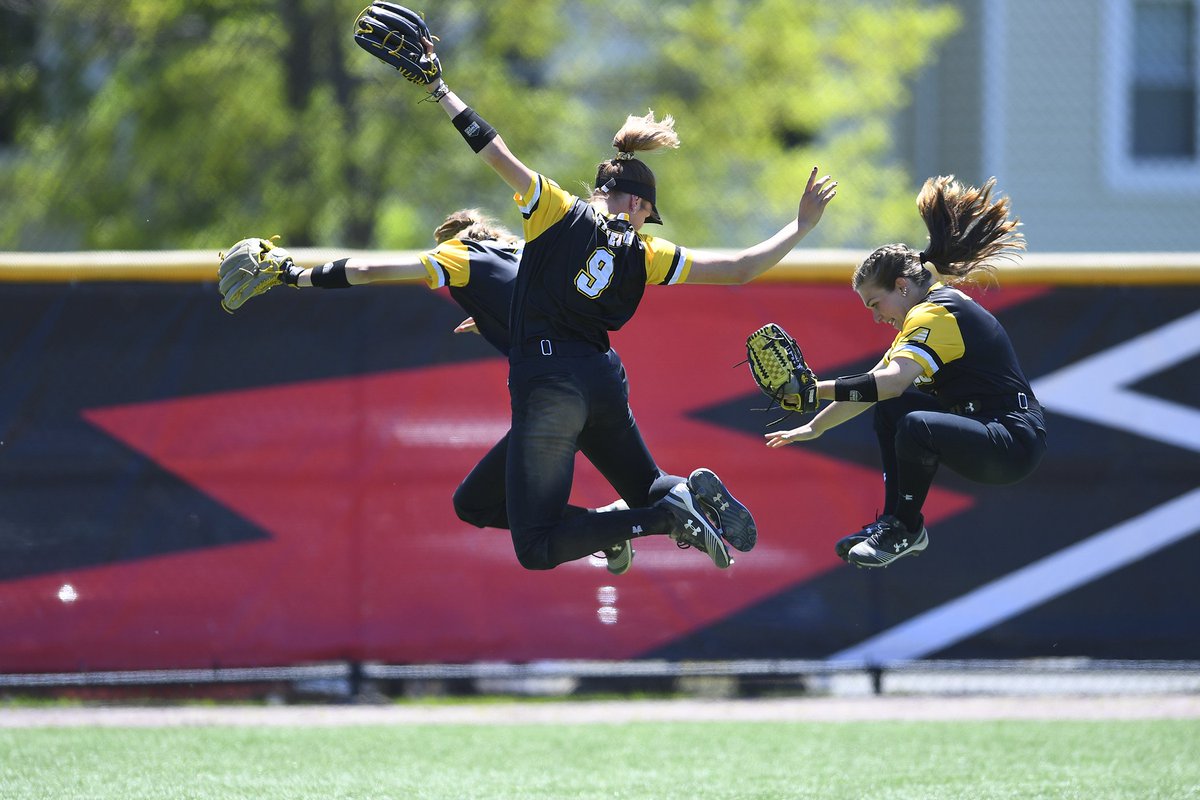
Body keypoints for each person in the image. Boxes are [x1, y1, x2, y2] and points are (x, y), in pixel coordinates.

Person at [385, 26, 836, 573]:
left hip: (551, 384)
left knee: (538, 547)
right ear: (639, 202)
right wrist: (801, 225)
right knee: (645, 487)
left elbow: (493, 149)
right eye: (649, 210)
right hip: (601, 378)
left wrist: (441, 90)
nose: (647, 218)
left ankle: (662, 519)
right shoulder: (646, 253)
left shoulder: (556, 210)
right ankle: (672, 500)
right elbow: (741, 268)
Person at [280, 208, 640, 575]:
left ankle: (635, 523)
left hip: (564, 394)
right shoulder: (523, 251)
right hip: (597, 376)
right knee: (473, 502)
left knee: (534, 540)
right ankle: (612, 526)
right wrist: (493, 318)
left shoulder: (460, 254)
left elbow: (367, 271)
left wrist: (295, 275)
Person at [765, 175, 1047, 568]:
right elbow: (878, 386)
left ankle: (904, 528)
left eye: (875, 304)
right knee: (892, 410)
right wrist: (816, 426)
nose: (878, 317)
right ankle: (896, 524)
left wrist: (815, 389)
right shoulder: (923, 316)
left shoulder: (935, 311)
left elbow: (892, 382)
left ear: (901, 286)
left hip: (1012, 440)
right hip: (990, 431)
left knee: (915, 423)